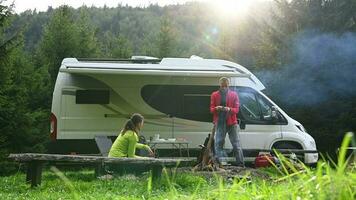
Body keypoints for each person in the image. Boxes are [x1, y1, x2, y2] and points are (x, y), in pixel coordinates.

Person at [210, 77, 245, 167]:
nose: (224, 87)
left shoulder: (234, 95)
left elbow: (236, 110)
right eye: (222, 86)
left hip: (231, 122)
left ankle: (240, 164)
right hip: (220, 123)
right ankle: (218, 164)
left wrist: (229, 109)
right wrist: (216, 108)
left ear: (228, 85)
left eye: (226, 86)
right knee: (218, 144)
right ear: (220, 85)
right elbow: (211, 110)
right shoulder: (214, 95)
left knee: (236, 144)